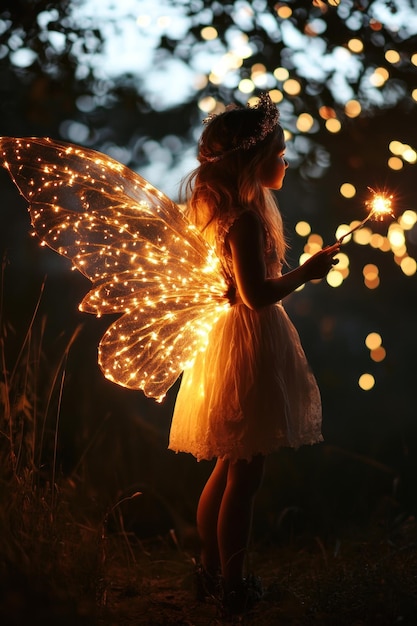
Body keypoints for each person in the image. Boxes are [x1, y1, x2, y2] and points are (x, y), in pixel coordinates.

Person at [168, 93, 340, 614]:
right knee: (244, 476)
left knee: (228, 465)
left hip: (233, 340)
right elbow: (255, 294)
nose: (285, 160)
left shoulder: (228, 212)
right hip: (247, 343)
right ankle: (231, 586)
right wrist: (306, 273)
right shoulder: (242, 220)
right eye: (279, 152)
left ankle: (212, 573)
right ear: (252, 161)